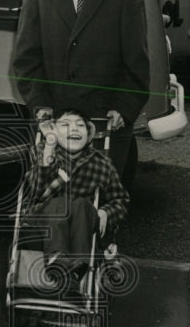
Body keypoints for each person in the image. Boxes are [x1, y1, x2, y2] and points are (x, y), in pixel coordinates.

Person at [11, 0, 150, 178]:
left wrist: (123, 107)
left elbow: (138, 64)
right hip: (56, 121)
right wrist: (41, 106)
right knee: (57, 203)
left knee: (98, 208)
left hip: (106, 122)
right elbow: (26, 60)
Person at [21, 109, 128, 289]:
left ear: (88, 136)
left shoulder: (100, 164)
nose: (74, 129)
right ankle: (58, 259)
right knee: (60, 203)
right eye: (65, 125)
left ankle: (76, 269)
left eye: (80, 126)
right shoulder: (43, 152)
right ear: (53, 131)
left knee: (83, 205)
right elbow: (37, 190)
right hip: (43, 215)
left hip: (80, 220)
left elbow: (120, 200)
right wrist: (50, 146)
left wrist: (105, 212)